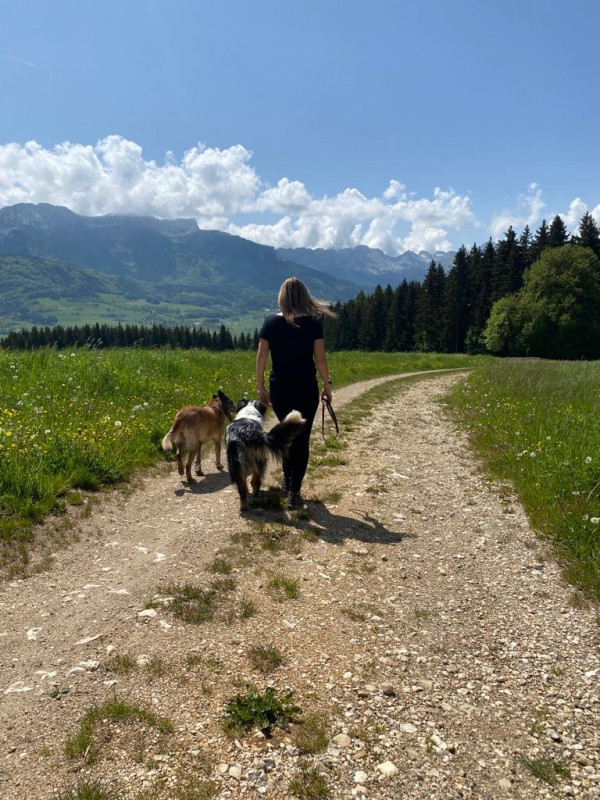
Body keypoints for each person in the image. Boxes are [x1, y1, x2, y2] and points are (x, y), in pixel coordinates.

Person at [256, 277, 336, 509]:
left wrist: (261, 387)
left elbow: (261, 357)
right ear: (304, 297)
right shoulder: (313, 324)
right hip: (306, 389)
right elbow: (320, 359)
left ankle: (287, 481)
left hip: (279, 389)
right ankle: (294, 490)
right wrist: (327, 385)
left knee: (287, 435)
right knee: (301, 439)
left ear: (282, 297)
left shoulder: (270, 323)